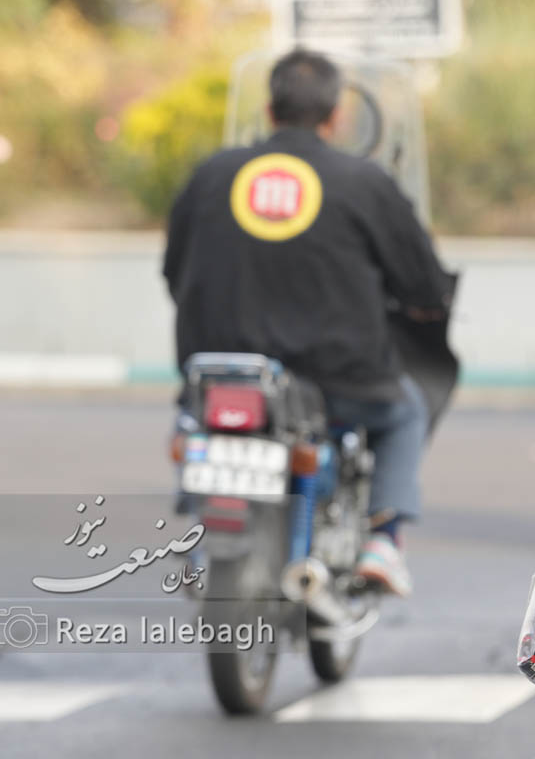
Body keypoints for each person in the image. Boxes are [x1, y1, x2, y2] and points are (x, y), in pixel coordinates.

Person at [163, 48, 453, 597]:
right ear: (337, 117)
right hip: (337, 382)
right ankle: (383, 540)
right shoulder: (363, 180)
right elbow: (423, 283)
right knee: (404, 411)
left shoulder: (212, 174)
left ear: (269, 111)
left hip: (224, 374)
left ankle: (202, 524)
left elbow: (174, 270)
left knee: (191, 422)